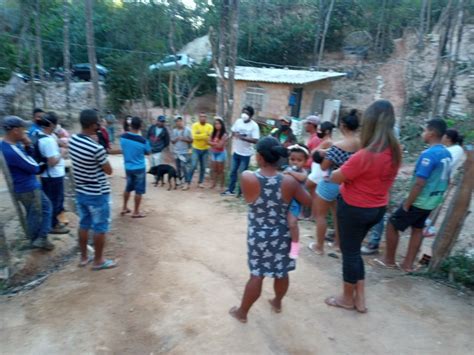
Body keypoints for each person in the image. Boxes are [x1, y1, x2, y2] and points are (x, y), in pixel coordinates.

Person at [324, 99, 402, 313]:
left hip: (354, 208)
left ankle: (348, 298)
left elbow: (336, 177)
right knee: (355, 252)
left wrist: (338, 173)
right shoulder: (396, 152)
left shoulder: (365, 155)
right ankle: (361, 298)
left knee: (349, 253)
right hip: (377, 209)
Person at [229, 137, 311, 323]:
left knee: (257, 274)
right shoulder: (289, 182)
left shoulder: (247, 177)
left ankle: (242, 312)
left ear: (259, 157)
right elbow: (308, 201)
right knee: (281, 272)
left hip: (257, 235)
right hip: (283, 234)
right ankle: (277, 302)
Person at [376, 118, 451, 272]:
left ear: (432, 133)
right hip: (432, 201)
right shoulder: (447, 154)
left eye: (425, 130)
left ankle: (388, 260)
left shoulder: (428, 155)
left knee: (392, 224)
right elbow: (447, 180)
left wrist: (407, 203)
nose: (423, 133)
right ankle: (408, 265)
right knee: (417, 229)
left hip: (419, 200)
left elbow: (419, 183)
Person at [69, 109, 116, 270]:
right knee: (100, 227)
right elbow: (109, 170)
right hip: (98, 192)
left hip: (81, 191)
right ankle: (99, 260)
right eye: (98, 122)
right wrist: (96, 145)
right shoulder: (96, 148)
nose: (100, 124)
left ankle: (83, 257)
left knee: (84, 224)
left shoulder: (73, 140)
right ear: (92, 125)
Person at [309, 110, 360, 255]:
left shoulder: (339, 146)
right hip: (347, 184)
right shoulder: (361, 144)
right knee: (338, 215)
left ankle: (319, 246)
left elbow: (325, 166)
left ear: (343, 126)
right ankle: (337, 244)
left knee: (321, 215)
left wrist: (326, 155)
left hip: (331, 181)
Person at [1, 116, 54, 250]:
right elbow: (34, 167)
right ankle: (40, 239)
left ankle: (37, 239)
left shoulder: (6, 145)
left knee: (36, 212)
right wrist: (29, 144)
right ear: (15, 131)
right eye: (23, 128)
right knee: (41, 211)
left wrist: (26, 145)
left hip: (21, 186)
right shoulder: (13, 151)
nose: (25, 131)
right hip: (28, 187)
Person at [37, 111, 69, 234]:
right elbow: (52, 162)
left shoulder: (41, 135)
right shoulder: (48, 141)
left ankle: (51, 223)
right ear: (51, 125)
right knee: (55, 201)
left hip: (47, 175)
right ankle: (53, 225)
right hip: (53, 175)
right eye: (56, 124)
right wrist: (62, 153)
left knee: (51, 200)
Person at [221, 106, 260, 196]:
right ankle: (231, 190)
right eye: (243, 112)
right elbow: (233, 132)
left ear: (251, 115)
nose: (244, 115)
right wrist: (227, 138)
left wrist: (243, 138)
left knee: (243, 174)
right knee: (233, 171)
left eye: (247, 113)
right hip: (237, 152)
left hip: (246, 154)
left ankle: (241, 192)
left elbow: (255, 140)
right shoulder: (238, 122)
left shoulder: (254, 126)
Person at [120, 116, 151, 218]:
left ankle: (124, 207)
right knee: (139, 191)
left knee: (128, 188)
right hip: (139, 167)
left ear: (130, 125)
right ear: (140, 126)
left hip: (128, 167)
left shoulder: (123, 137)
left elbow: (123, 148)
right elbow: (148, 152)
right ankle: (136, 211)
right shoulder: (142, 140)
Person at [284, 144, 309, 259]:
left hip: (295, 202)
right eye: (292, 159)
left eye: (299, 160)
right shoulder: (287, 170)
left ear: (305, 161)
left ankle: (295, 247)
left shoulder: (303, 172)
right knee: (285, 223)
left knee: (293, 223)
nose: (295, 162)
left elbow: (302, 178)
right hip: (285, 200)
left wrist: (290, 173)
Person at [306, 121, 336, 199]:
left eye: (320, 130)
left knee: (304, 186)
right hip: (317, 170)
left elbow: (313, 152)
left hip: (319, 172)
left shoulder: (327, 142)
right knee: (314, 195)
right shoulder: (325, 141)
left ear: (327, 131)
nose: (318, 132)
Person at [186, 112, 213, 189]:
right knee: (193, 165)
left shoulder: (210, 126)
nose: (203, 118)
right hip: (196, 149)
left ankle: (200, 182)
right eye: (201, 117)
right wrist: (205, 135)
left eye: (204, 117)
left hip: (205, 149)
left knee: (203, 167)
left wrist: (200, 135)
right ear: (199, 118)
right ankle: (187, 182)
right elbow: (194, 136)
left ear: (206, 118)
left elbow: (209, 137)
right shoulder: (195, 125)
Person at [171, 116, 193, 186]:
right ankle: (180, 180)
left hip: (185, 152)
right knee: (178, 167)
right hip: (176, 152)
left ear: (182, 121)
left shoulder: (188, 130)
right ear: (175, 123)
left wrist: (184, 139)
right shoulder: (174, 131)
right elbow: (172, 141)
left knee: (184, 166)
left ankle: (186, 181)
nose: (179, 122)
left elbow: (192, 140)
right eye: (177, 121)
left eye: (180, 121)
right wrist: (176, 139)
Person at [208, 117, 228, 190]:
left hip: (221, 153)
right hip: (214, 152)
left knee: (221, 170)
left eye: (219, 123)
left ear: (222, 124)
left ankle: (222, 185)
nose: (217, 125)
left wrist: (212, 143)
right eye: (216, 124)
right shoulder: (213, 133)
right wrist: (216, 143)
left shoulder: (224, 134)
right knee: (214, 169)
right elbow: (208, 141)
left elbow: (220, 146)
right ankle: (214, 184)